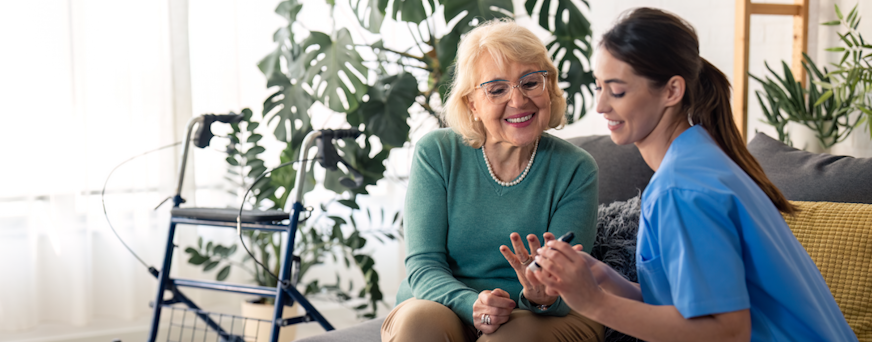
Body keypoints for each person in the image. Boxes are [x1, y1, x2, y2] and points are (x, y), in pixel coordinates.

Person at [528, 7, 858, 342]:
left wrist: (594, 302)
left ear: (672, 91)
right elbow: (687, 313)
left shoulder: (682, 190)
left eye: (617, 90)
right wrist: (603, 278)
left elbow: (726, 331)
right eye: (599, 87)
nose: (600, 105)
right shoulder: (700, 162)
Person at [380, 19, 603, 342]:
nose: (518, 101)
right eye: (497, 89)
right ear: (472, 103)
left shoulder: (576, 168)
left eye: (530, 82)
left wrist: (541, 295)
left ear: (548, 87)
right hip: (449, 305)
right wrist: (473, 304)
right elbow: (424, 264)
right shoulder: (437, 152)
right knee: (418, 322)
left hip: (546, 314)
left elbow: (564, 287)